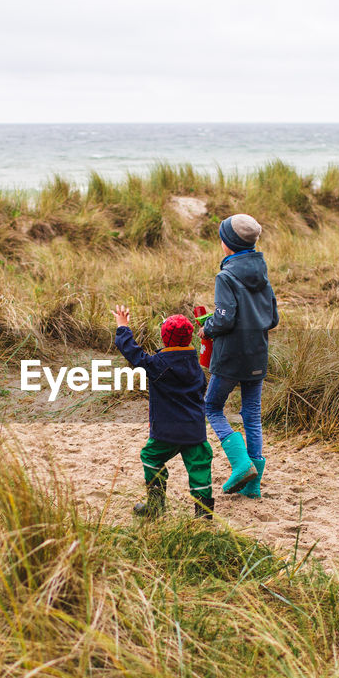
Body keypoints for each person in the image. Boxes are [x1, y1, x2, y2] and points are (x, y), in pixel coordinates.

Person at [201, 214, 278, 499]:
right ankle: (252, 485)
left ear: (228, 244)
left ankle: (241, 464)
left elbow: (223, 320)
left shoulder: (226, 276)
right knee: (251, 416)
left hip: (231, 356)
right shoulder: (263, 274)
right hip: (257, 354)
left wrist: (207, 328)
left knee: (211, 406)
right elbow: (272, 319)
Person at [113, 305, 214, 519]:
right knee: (200, 470)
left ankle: (156, 506)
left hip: (167, 432)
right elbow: (202, 389)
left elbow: (133, 352)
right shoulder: (195, 366)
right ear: (188, 339)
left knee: (150, 457)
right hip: (195, 431)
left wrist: (123, 328)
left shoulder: (157, 364)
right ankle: (204, 514)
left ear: (165, 339)